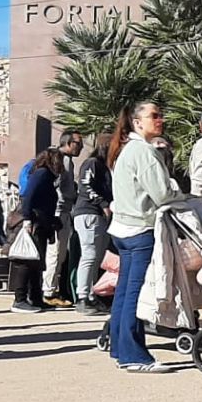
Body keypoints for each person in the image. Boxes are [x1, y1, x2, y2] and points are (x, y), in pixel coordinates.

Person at [106, 103, 177, 368]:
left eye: (160, 114)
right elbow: (162, 194)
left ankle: (118, 346)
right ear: (137, 122)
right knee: (135, 294)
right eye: (154, 116)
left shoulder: (127, 150)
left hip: (123, 228)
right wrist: (181, 197)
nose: (160, 120)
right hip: (139, 229)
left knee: (124, 292)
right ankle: (133, 354)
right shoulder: (144, 152)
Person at [11, 148, 62, 314]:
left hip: (42, 222)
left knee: (36, 262)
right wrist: (27, 219)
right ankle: (20, 299)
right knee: (27, 261)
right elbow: (29, 196)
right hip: (35, 222)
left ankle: (36, 297)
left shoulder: (45, 175)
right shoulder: (42, 174)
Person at [73, 131, 115, 316]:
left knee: (96, 257)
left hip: (98, 215)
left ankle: (90, 295)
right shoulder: (92, 164)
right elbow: (86, 185)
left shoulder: (104, 167)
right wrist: (103, 204)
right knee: (89, 255)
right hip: (89, 213)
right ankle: (82, 296)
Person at [42, 131, 84, 309]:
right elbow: (56, 184)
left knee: (58, 253)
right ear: (68, 143)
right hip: (60, 212)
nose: (81, 147)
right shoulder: (63, 160)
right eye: (78, 143)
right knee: (56, 253)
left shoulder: (60, 158)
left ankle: (50, 288)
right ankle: (49, 292)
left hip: (60, 211)